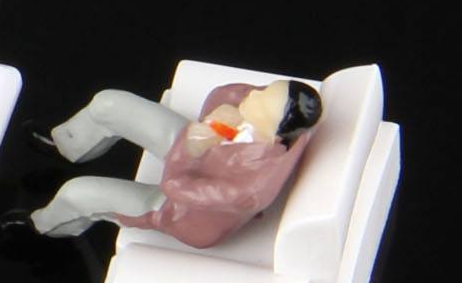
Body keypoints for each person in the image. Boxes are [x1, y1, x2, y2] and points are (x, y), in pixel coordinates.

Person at [27, 78, 323, 247]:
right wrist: (217, 122)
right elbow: (219, 96)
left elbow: (176, 185)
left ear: (275, 129)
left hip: (184, 212)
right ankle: (67, 144)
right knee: (109, 103)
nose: (254, 94)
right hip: (200, 146)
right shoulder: (260, 114)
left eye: (262, 101)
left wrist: (204, 134)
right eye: (263, 90)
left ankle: (39, 227)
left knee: (77, 193)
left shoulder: (251, 187)